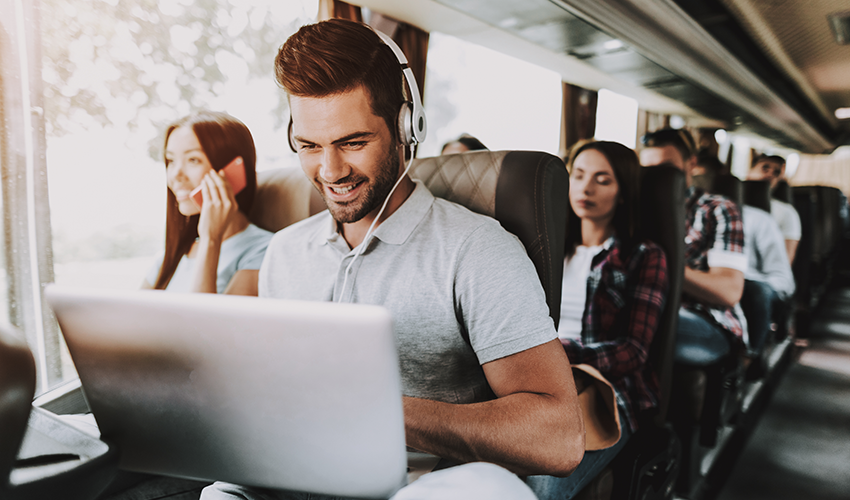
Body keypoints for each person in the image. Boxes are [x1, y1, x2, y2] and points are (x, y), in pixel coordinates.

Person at [201, 18, 584, 500]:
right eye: (309, 146)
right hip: (295, 474)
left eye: (353, 143)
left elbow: (559, 437)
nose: (331, 170)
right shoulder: (283, 252)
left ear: (407, 127)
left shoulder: (477, 250)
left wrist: (376, 408)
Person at [528, 140, 668, 499]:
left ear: (623, 192)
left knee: (542, 484)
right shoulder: (544, 247)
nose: (586, 188)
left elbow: (634, 351)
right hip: (536, 373)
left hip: (608, 385)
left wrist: (561, 354)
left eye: (602, 180)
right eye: (578, 176)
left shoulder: (644, 255)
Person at [639, 128, 746, 368]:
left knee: (642, 327)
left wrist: (663, 267)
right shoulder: (631, 209)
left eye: (667, 170)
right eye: (650, 171)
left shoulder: (717, 210)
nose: (659, 179)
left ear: (691, 164)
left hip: (705, 318)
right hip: (644, 305)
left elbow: (728, 291)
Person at [142, 111, 273, 295]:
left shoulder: (264, 251)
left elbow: (205, 323)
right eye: (171, 160)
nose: (176, 175)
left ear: (231, 171)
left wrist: (210, 239)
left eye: (193, 160)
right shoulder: (173, 253)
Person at [739, 203, 795, 377]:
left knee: (756, 292)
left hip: (756, 284)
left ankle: (748, 360)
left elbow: (782, 276)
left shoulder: (758, 219)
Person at [747, 155, 801, 264]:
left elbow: (784, 261)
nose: (770, 175)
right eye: (765, 168)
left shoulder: (787, 212)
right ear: (749, 171)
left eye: (776, 173)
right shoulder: (726, 204)